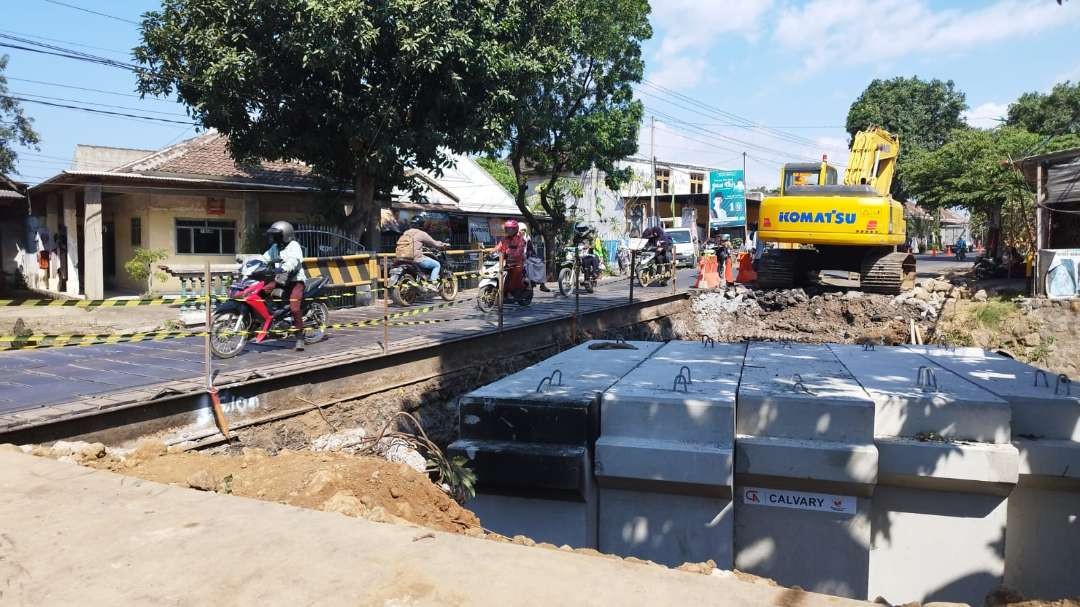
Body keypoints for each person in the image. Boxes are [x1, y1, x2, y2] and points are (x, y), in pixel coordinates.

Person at [262, 221, 307, 351]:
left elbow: (294, 260)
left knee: (294, 308)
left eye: (276, 236)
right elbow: (264, 258)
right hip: (280, 278)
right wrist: (252, 263)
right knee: (262, 291)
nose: (274, 238)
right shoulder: (275, 247)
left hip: (295, 281)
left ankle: (299, 337)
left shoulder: (294, 246)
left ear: (285, 235)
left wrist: (285, 268)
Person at [395, 213, 449, 286]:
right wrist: (443, 244)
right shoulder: (421, 234)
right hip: (416, 259)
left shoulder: (406, 232)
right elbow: (434, 243)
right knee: (437, 265)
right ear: (421, 224)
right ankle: (432, 283)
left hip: (402, 257)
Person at [494, 219, 531, 293]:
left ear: (516, 229)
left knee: (514, 274)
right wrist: (491, 252)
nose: (509, 231)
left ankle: (513, 290)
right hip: (504, 261)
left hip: (517, 262)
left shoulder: (520, 239)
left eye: (511, 229)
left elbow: (519, 250)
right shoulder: (504, 239)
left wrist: (510, 253)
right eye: (507, 229)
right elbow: (498, 246)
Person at [518, 223, 549, 292]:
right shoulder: (515, 237)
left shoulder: (527, 237)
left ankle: (542, 284)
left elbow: (530, 249)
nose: (522, 231)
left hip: (527, 256)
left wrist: (528, 255)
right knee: (529, 265)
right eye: (521, 230)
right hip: (517, 257)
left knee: (541, 264)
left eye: (524, 230)